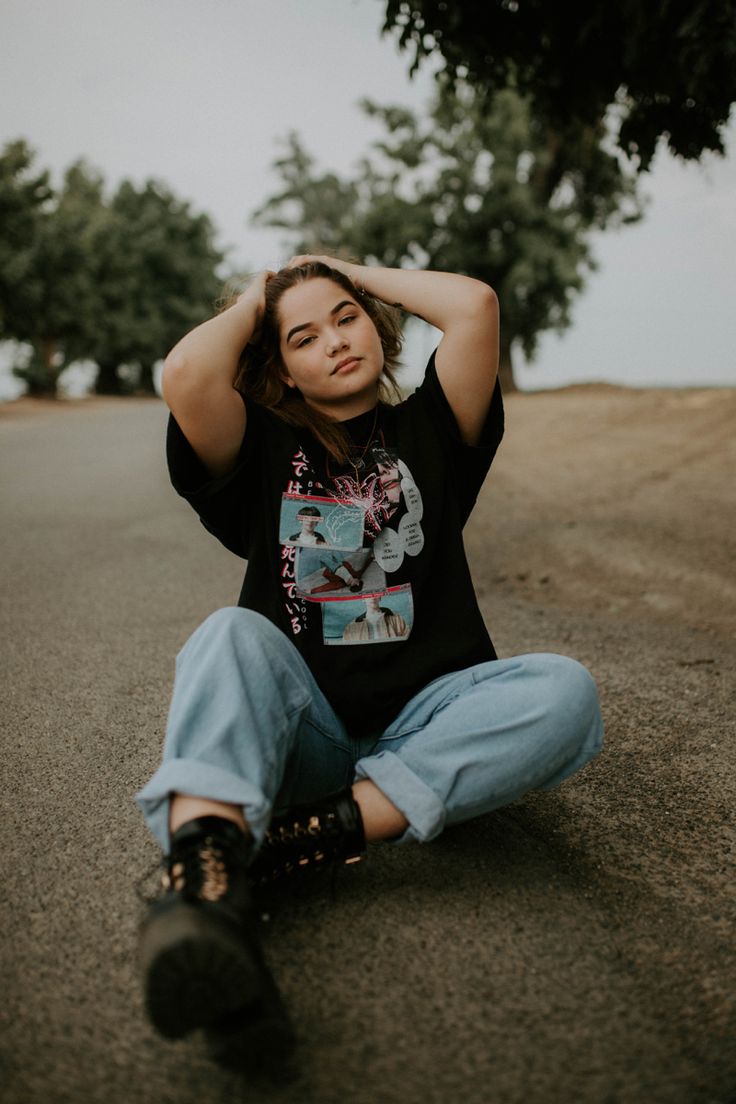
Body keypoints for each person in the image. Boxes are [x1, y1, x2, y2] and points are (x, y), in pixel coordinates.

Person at [135, 254, 604, 1071]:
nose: (333, 343)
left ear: (378, 324)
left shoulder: (434, 429)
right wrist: (263, 295)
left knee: (567, 693)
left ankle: (286, 845)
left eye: (347, 319)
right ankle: (205, 885)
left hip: (425, 725)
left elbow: (476, 306)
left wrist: (346, 271)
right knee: (228, 635)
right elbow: (185, 371)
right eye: (303, 338)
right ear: (277, 365)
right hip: (306, 732)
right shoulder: (261, 450)